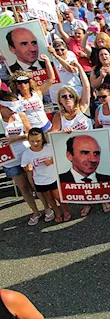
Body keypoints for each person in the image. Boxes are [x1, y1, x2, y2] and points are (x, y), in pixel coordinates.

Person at [0, 92, 54, 226]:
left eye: (14, 109)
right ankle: (35, 211)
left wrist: (15, 139)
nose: (13, 113)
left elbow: (30, 133)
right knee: (23, 187)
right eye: (10, 110)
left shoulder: (20, 115)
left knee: (34, 183)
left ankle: (47, 208)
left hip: (25, 153)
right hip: (9, 159)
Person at [21, 127, 70, 223]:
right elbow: (24, 167)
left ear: (42, 139)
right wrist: (28, 168)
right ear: (28, 140)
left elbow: (61, 157)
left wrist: (51, 161)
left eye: (38, 141)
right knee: (50, 199)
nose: (35, 144)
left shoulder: (49, 147)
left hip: (53, 177)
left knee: (59, 197)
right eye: (32, 141)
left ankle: (66, 211)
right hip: (40, 180)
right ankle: (57, 213)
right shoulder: (26, 153)